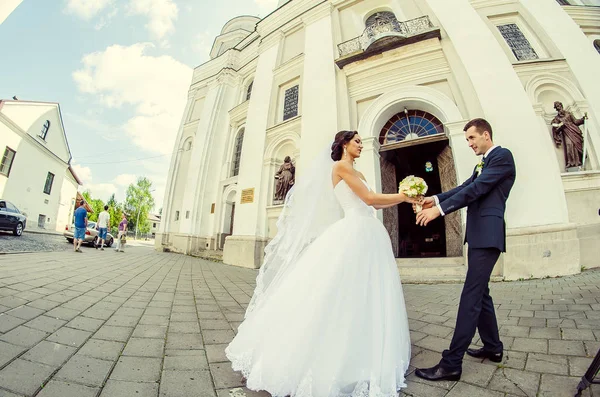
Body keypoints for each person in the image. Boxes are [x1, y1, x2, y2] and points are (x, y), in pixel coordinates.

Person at [225, 130, 419, 396]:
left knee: (363, 292)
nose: (361, 145)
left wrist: (401, 197)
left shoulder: (358, 174)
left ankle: (360, 345)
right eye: (357, 141)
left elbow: (372, 204)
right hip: (354, 231)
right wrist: (403, 196)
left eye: (362, 142)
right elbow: (370, 199)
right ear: (343, 144)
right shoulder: (340, 167)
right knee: (336, 291)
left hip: (368, 231)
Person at [413, 118, 516, 381]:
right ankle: (493, 348)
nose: (469, 144)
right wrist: (433, 199)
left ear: (485, 134)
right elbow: (465, 187)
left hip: (488, 235)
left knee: (470, 297)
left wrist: (440, 211)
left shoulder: (502, 157)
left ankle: (451, 364)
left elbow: (478, 189)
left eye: (471, 138)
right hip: (480, 235)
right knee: (481, 294)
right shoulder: (483, 163)